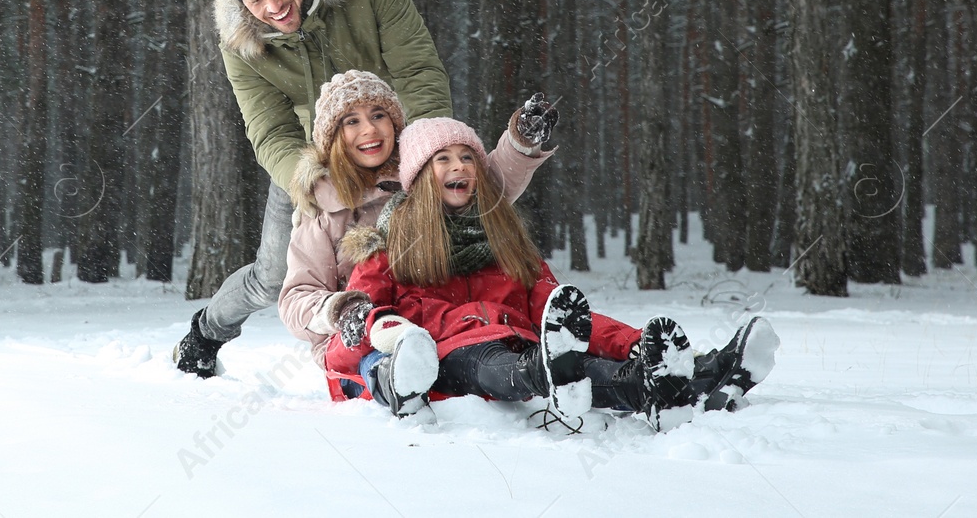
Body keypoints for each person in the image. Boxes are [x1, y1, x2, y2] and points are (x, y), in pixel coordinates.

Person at [329, 117, 778, 428]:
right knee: (512, 363)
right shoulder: (387, 249)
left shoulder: (504, 243)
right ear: (421, 177)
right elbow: (351, 345)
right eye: (443, 159)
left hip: (529, 344)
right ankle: (566, 372)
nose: (459, 167)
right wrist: (367, 330)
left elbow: (561, 315)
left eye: (468, 157)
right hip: (453, 358)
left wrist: (633, 342)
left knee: (575, 361)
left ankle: (685, 376)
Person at [172, 0, 453, 378]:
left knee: (425, 253)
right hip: (313, 159)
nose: (273, 7)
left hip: (396, 145)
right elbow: (269, 128)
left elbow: (417, 69)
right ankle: (207, 330)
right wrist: (309, 182)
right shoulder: (241, 42)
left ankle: (443, 349)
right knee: (274, 277)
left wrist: (423, 156)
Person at [278, 71, 557, 401]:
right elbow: (297, 296)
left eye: (378, 115)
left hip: (435, 322)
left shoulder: (419, 176)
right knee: (382, 357)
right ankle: (395, 384)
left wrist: (518, 144)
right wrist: (337, 310)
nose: (369, 129)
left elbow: (487, 185)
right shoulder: (323, 211)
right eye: (351, 121)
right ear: (334, 139)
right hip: (359, 343)